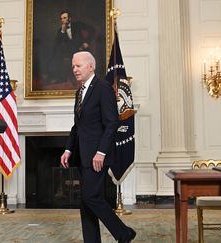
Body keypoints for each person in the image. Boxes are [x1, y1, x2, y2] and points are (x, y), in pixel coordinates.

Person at [60, 51, 136, 243]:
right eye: (73, 66)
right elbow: (77, 126)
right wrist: (68, 149)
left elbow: (111, 123)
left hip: (97, 156)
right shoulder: (80, 92)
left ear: (91, 66)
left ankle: (124, 233)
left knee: (91, 197)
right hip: (82, 155)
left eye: (78, 66)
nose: (74, 69)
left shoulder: (103, 88)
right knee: (85, 202)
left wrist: (101, 152)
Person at [49, 11, 95, 85]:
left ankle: (86, 78)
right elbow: (58, 43)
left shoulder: (78, 25)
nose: (63, 20)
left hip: (80, 49)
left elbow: (92, 29)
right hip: (69, 52)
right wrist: (63, 32)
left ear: (69, 18)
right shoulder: (60, 30)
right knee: (56, 53)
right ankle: (61, 77)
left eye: (64, 18)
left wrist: (87, 42)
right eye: (61, 19)